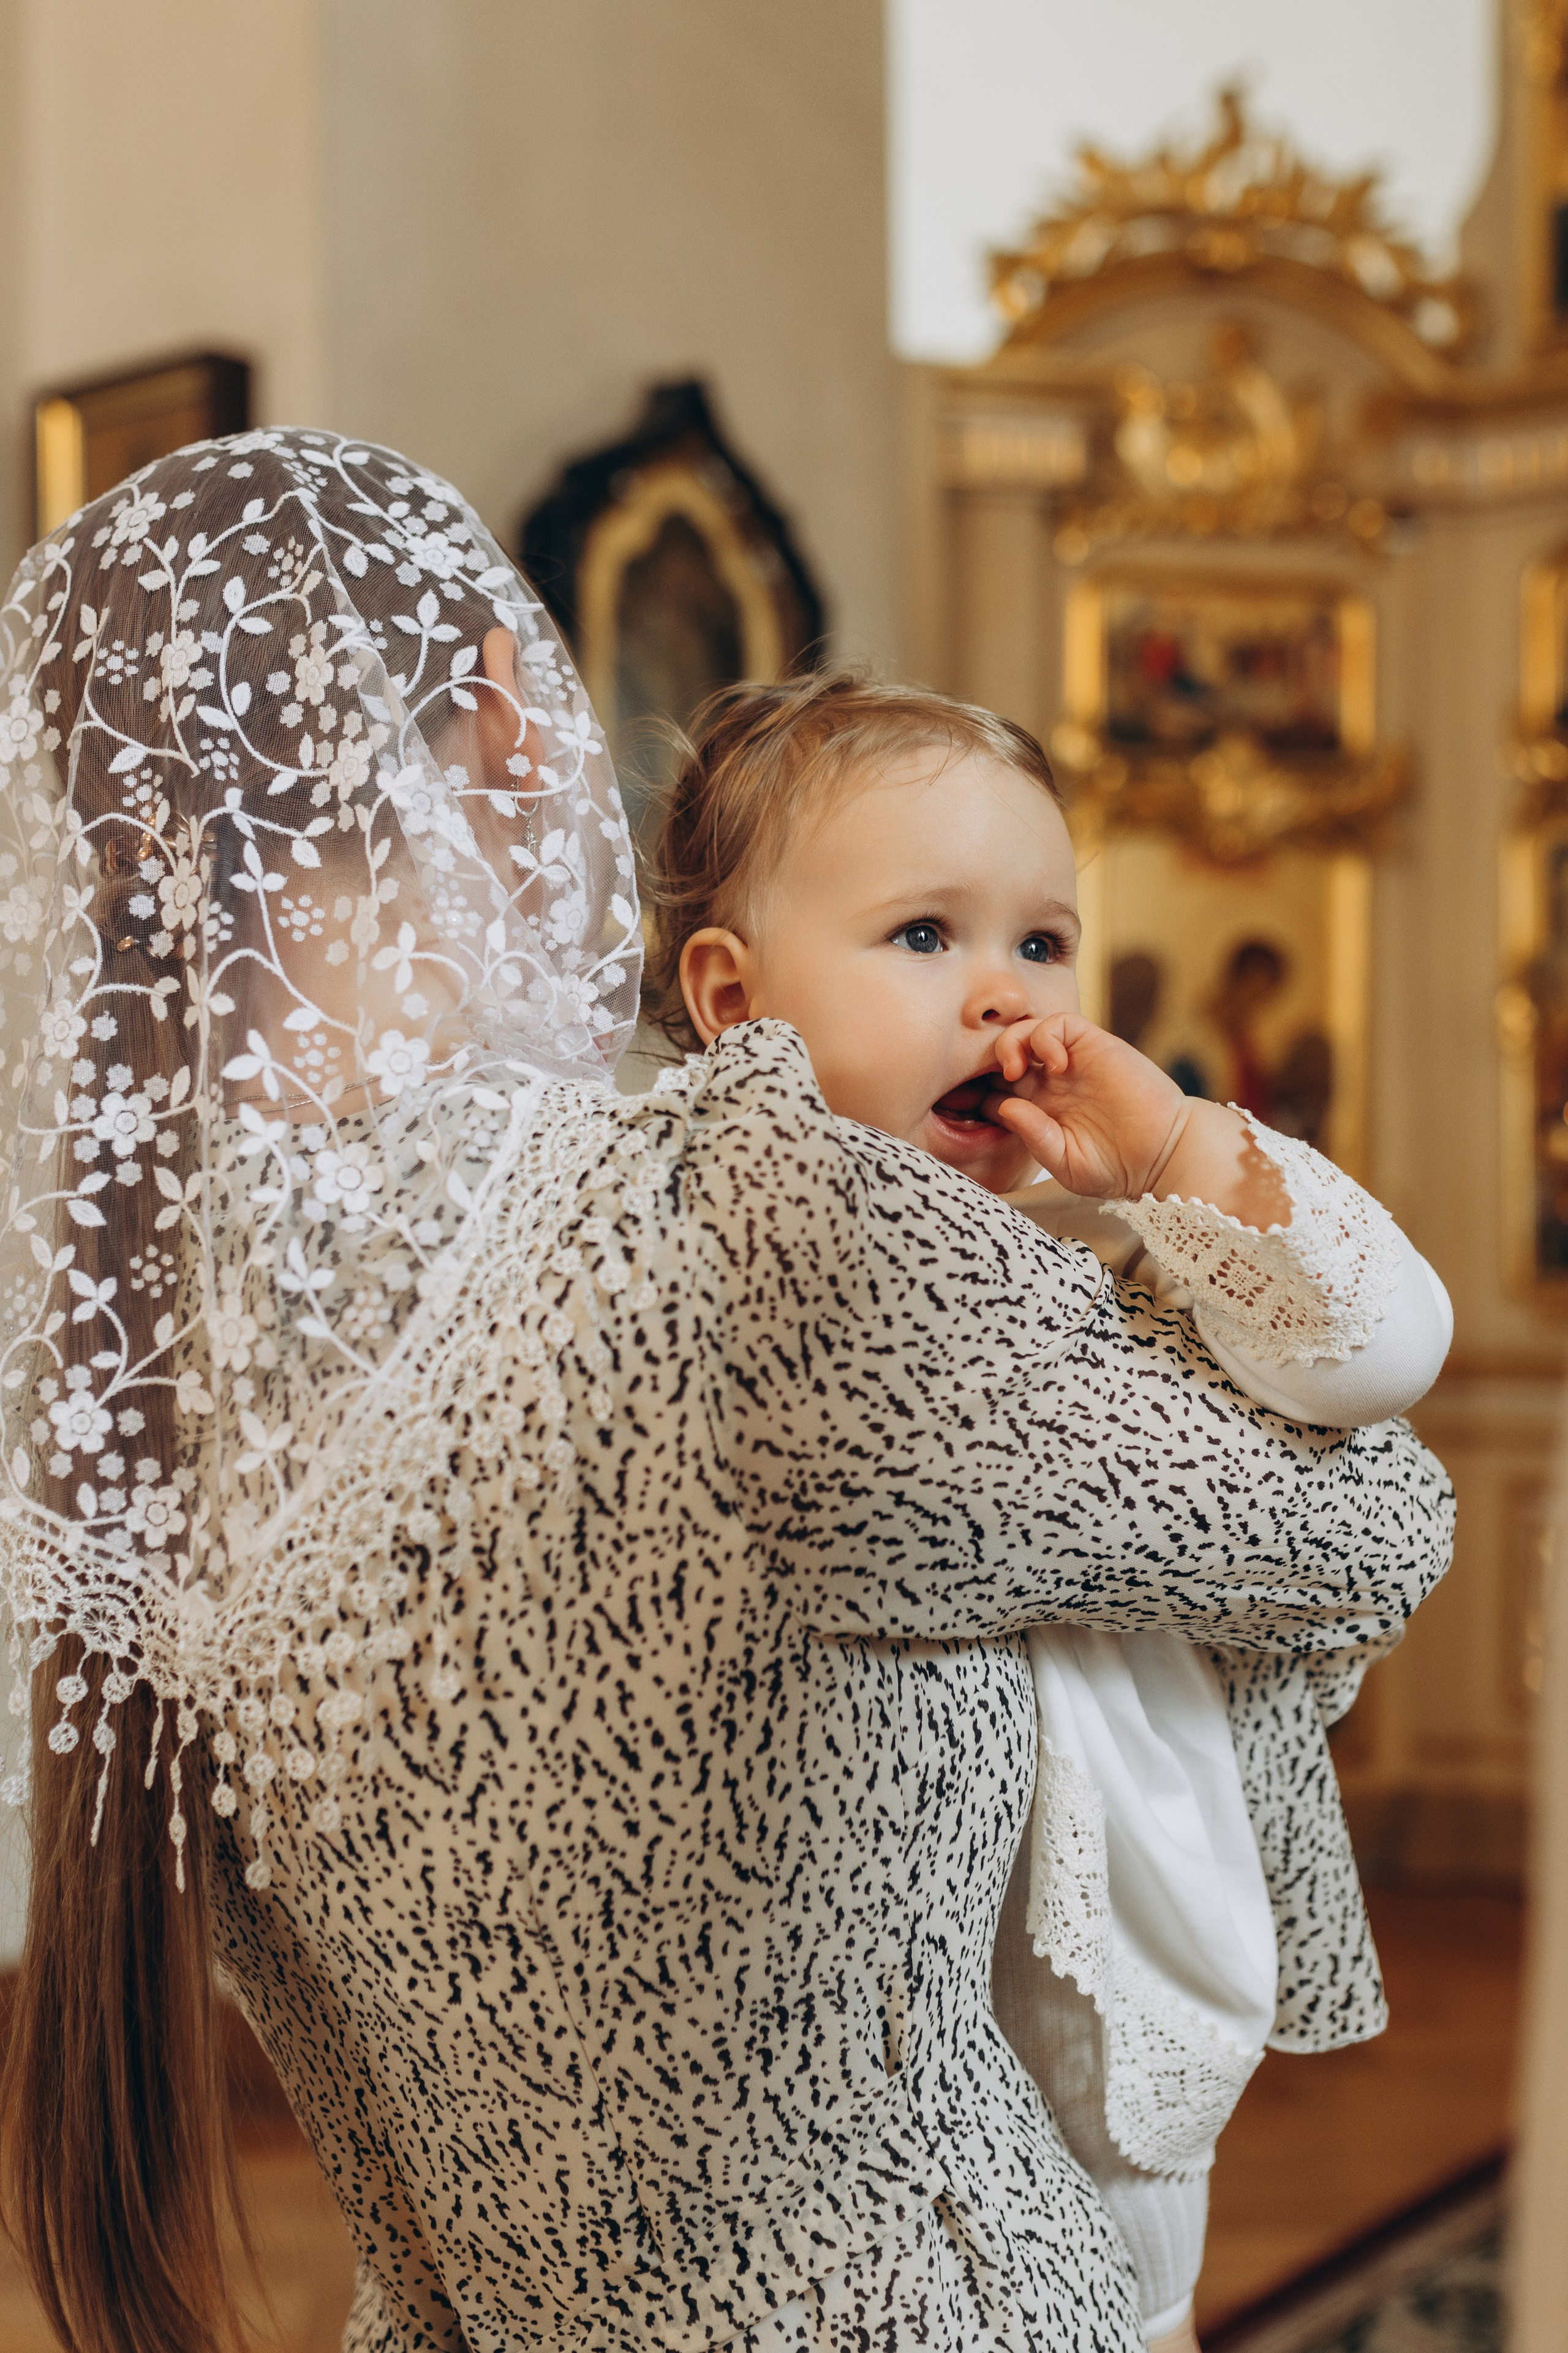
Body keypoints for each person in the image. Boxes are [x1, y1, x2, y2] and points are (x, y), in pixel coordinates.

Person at [0, 435, 1452, 2353]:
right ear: (520, 724)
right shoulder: (737, 1215)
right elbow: (1370, 1526)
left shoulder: (138, 1402)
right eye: (927, 934)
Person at [652, 678, 1451, 2347]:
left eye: (1046, 942)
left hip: (1123, 2036)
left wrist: (1174, 1149)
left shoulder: (1112, 1274)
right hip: (837, 2064)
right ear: (733, 999)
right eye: (927, 933)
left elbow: (1389, 1349)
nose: (1005, 996)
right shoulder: (716, 1277)